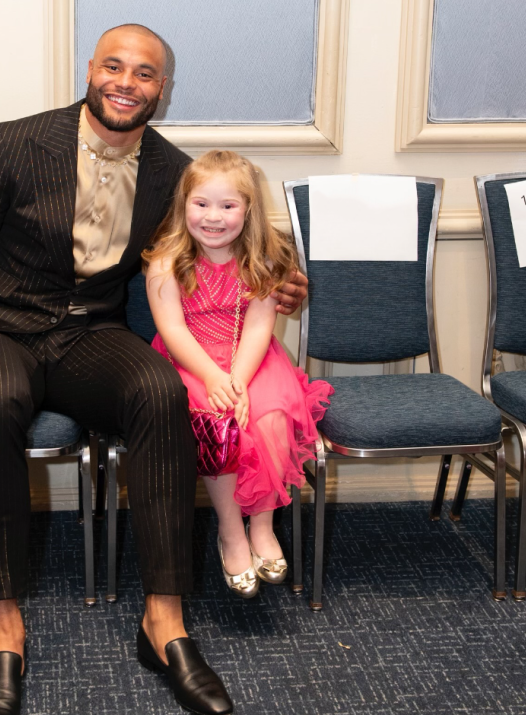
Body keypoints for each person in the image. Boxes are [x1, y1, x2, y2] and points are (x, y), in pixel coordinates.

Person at [0, 24, 307, 715]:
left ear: (162, 90)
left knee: (160, 393)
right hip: (2, 326)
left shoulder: (172, 171)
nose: (125, 83)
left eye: (143, 74)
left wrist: (282, 282)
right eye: (114, 67)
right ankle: (1, 627)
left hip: (91, 332)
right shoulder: (15, 141)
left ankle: (163, 620)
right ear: (89, 71)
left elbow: (223, 248)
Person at [145, 150, 333, 599]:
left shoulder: (264, 259)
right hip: (192, 360)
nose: (213, 217)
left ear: (248, 211)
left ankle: (263, 526)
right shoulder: (166, 262)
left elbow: (259, 327)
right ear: (183, 204)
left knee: (267, 416)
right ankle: (231, 532)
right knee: (219, 422)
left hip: (252, 358)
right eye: (201, 203)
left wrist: (241, 382)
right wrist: (214, 379)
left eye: (228, 206)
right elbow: (172, 330)